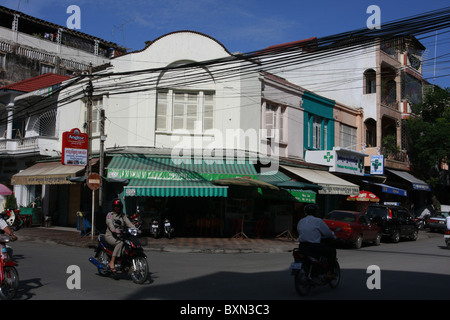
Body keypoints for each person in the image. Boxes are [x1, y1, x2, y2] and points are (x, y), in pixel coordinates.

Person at [297, 204, 337, 279]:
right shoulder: (318, 221)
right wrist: (333, 236)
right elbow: (327, 233)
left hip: (302, 246)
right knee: (332, 251)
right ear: (316, 212)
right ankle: (329, 273)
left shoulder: (301, 221)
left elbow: (300, 232)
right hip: (314, 247)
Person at [105, 198, 135, 272]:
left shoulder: (122, 215)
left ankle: (126, 263)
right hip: (110, 236)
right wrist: (114, 230)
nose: (117, 208)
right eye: (115, 206)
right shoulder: (110, 215)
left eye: (119, 206)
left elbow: (129, 223)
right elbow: (110, 224)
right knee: (120, 243)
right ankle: (112, 262)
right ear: (113, 207)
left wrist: (136, 229)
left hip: (121, 236)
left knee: (129, 245)